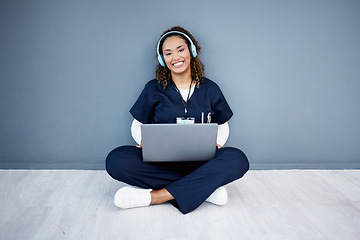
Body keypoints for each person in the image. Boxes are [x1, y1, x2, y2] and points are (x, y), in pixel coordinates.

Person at [105, 26, 249, 214]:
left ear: (192, 51)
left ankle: (157, 196)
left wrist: (218, 142)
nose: (176, 57)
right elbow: (137, 125)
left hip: (201, 162)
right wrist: (143, 141)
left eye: (181, 49)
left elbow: (222, 124)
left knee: (238, 159)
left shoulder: (210, 89)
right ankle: (205, 190)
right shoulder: (153, 88)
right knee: (116, 159)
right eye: (168, 53)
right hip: (161, 162)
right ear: (162, 60)